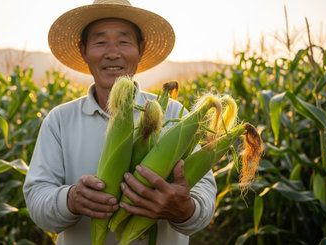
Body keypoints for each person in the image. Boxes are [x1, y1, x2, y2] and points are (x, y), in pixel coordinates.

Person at [23, 0, 217, 244]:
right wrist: (71, 199)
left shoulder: (176, 117)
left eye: (124, 42)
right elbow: (37, 202)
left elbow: (205, 203)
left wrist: (184, 208)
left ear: (141, 49)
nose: (112, 53)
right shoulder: (59, 121)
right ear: (84, 51)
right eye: (100, 42)